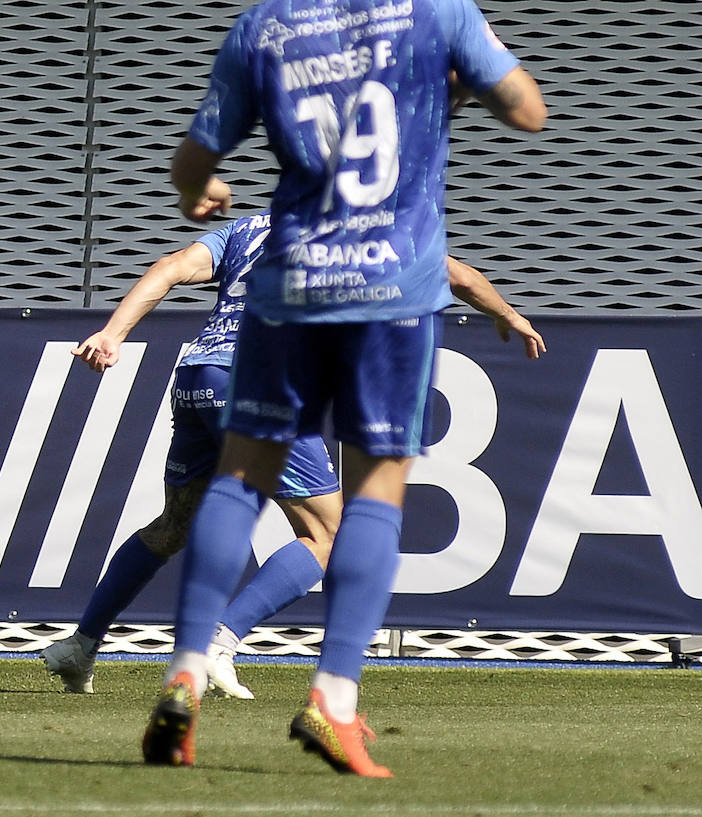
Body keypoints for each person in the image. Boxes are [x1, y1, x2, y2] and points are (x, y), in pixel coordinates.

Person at [140, 0, 546, 776]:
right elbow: (528, 110)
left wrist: (205, 193)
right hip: (391, 286)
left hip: (288, 280)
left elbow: (191, 163)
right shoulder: (434, 0)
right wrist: (452, 91)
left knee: (241, 481)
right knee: (373, 494)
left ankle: (187, 671)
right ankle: (333, 699)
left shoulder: (264, 25)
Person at [41, 213, 544, 698]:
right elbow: (458, 276)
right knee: (327, 533)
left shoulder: (252, 226)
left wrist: (114, 332)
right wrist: (512, 317)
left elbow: (170, 267)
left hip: (199, 376)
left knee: (174, 525)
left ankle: (80, 645)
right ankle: (220, 643)